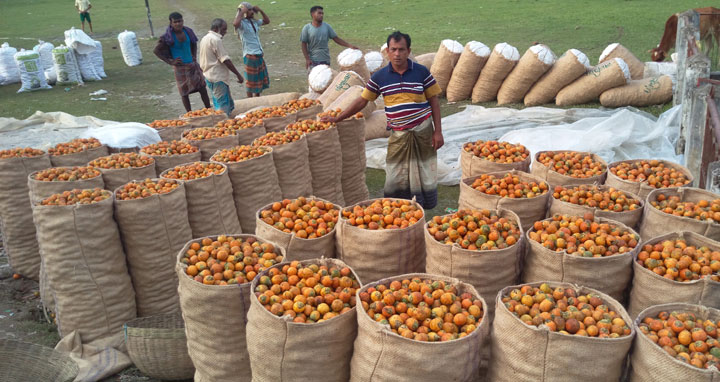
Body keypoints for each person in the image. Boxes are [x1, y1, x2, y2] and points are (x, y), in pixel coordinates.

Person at [321, 31, 443, 209]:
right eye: (393, 49)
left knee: (423, 171)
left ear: (408, 51)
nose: (397, 54)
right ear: (387, 51)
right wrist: (338, 117)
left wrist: (438, 131)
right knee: (395, 174)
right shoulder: (380, 77)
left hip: (422, 131)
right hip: (399, 134)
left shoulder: (421, 72)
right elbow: (363, 100)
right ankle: (396, 208)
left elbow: (434, 100)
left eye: (401, 50)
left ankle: (422, 208)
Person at [153, 12, 211, 113]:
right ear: (171, 23)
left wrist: (193, 56)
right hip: (180, 68)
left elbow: (194, 43)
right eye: (175, 22)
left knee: (202, 88)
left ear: (183, 21)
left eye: (180, 21)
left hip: (192, 65)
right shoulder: (167, 36)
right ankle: (189, 114)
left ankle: (209, 110)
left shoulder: (188, 31)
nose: (178, 24)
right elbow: (156, 51)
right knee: (184, 93)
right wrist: (171, 61)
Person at [198, 18, 244, 115]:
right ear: (216, 28)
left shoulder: (205, 38)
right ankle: (222, 125)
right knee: (222, 108)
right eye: (223, 29)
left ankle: (224, 122)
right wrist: (238, 74)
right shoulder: (216, 40)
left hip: (209, 76)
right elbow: (225, 60)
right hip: (217, 77)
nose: (225, 32)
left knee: (221, 103)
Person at [300, 5, 359, 70]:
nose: (321, 15)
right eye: (319, 13)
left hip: (325, 60)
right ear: (312, 14)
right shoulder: (307, 28)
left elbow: (336, 39)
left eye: (322, 13)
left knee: (326, 79)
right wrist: (307, 59)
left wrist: (350, 46)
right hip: (313, 61)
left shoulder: (327, 27)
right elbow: (303, 44)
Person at [232, 2, 270, 98]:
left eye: (252, 9)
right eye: (249, 10)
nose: (252, 12)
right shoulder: (242, 24)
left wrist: (260, 10)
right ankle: (250, 100)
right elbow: (235, 23)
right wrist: (241, 11)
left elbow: (267, 21)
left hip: (259, 54)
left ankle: (257, 97)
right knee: (250, 81)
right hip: (250, 55)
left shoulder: (254, 22)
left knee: (259, 79)